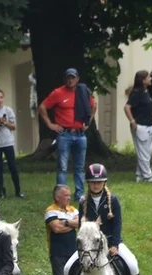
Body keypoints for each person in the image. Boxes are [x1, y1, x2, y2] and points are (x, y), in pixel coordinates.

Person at [63, 164, 148, 275]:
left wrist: (114, 244)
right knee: (67, 268)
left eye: (99, 182)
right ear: (88, 183)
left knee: (132, 264)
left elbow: (117, 223)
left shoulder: (113, 200)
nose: (96, 185)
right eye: (93, 182)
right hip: (90, 246)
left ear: (104, 182)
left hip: (111, 243)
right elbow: (82, 227)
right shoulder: (83, 201)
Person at [38, 68, 96, 203]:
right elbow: (42, 107)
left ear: (77, 79)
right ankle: (61, 195)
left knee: (80, 167)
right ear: (65, 79)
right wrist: (50, 124)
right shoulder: (58, 93)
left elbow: (94, 105)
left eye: (73, 77)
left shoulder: (83, 91)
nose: (71, 80)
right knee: (62, 167)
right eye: (68, 78)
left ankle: (79, 194)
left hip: (80, 134)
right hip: (64, 134)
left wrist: (88, 122)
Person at [44, 184, 80, 275]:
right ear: (57, 197)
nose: (69, 198)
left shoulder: (73, 210)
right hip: (57, 252)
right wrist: (71, 223)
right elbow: (56, 228)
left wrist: (65, 222)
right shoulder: (50, 211)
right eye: (66, 195)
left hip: (73, 252)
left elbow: (80, 222)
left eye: (69, 195)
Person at [124, 71, 152, 183]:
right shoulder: (136, 93)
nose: (151, 79)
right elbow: (127, 107)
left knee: (147, 152)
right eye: (148, 77)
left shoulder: (146, 91)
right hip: (141, 126)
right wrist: (133, 121)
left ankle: (140, 175)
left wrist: (151, 117)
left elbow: (145, 107)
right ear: (143, 80)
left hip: (149, 125)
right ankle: (148, 176)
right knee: (143, 153)